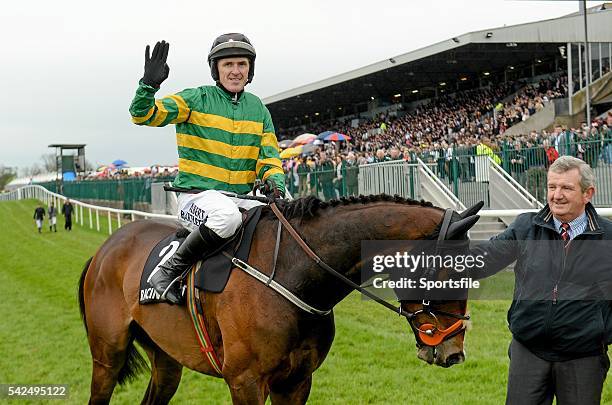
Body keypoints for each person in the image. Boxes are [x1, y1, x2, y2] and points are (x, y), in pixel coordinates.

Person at [129, 34, 284, 304]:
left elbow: (269, 157)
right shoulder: (195, 99)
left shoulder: (258, 109)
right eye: (228, 65)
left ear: (250, 70)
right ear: (216, 69)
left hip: (243, 198)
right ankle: (167, 271)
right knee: (226, 217)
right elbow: (142, 115)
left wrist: (275, 184)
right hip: (197, 198)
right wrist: (148, 85)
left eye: (242, 64)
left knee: (291, 214)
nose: (236, 71)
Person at [470, 156, 611, 405]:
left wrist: (601, 330)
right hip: (529, 350)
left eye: (566, 188)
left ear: (588, 193)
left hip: (583, 357)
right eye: (552, 187)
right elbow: (486, 258)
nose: (557, 195)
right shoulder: (526, 226)